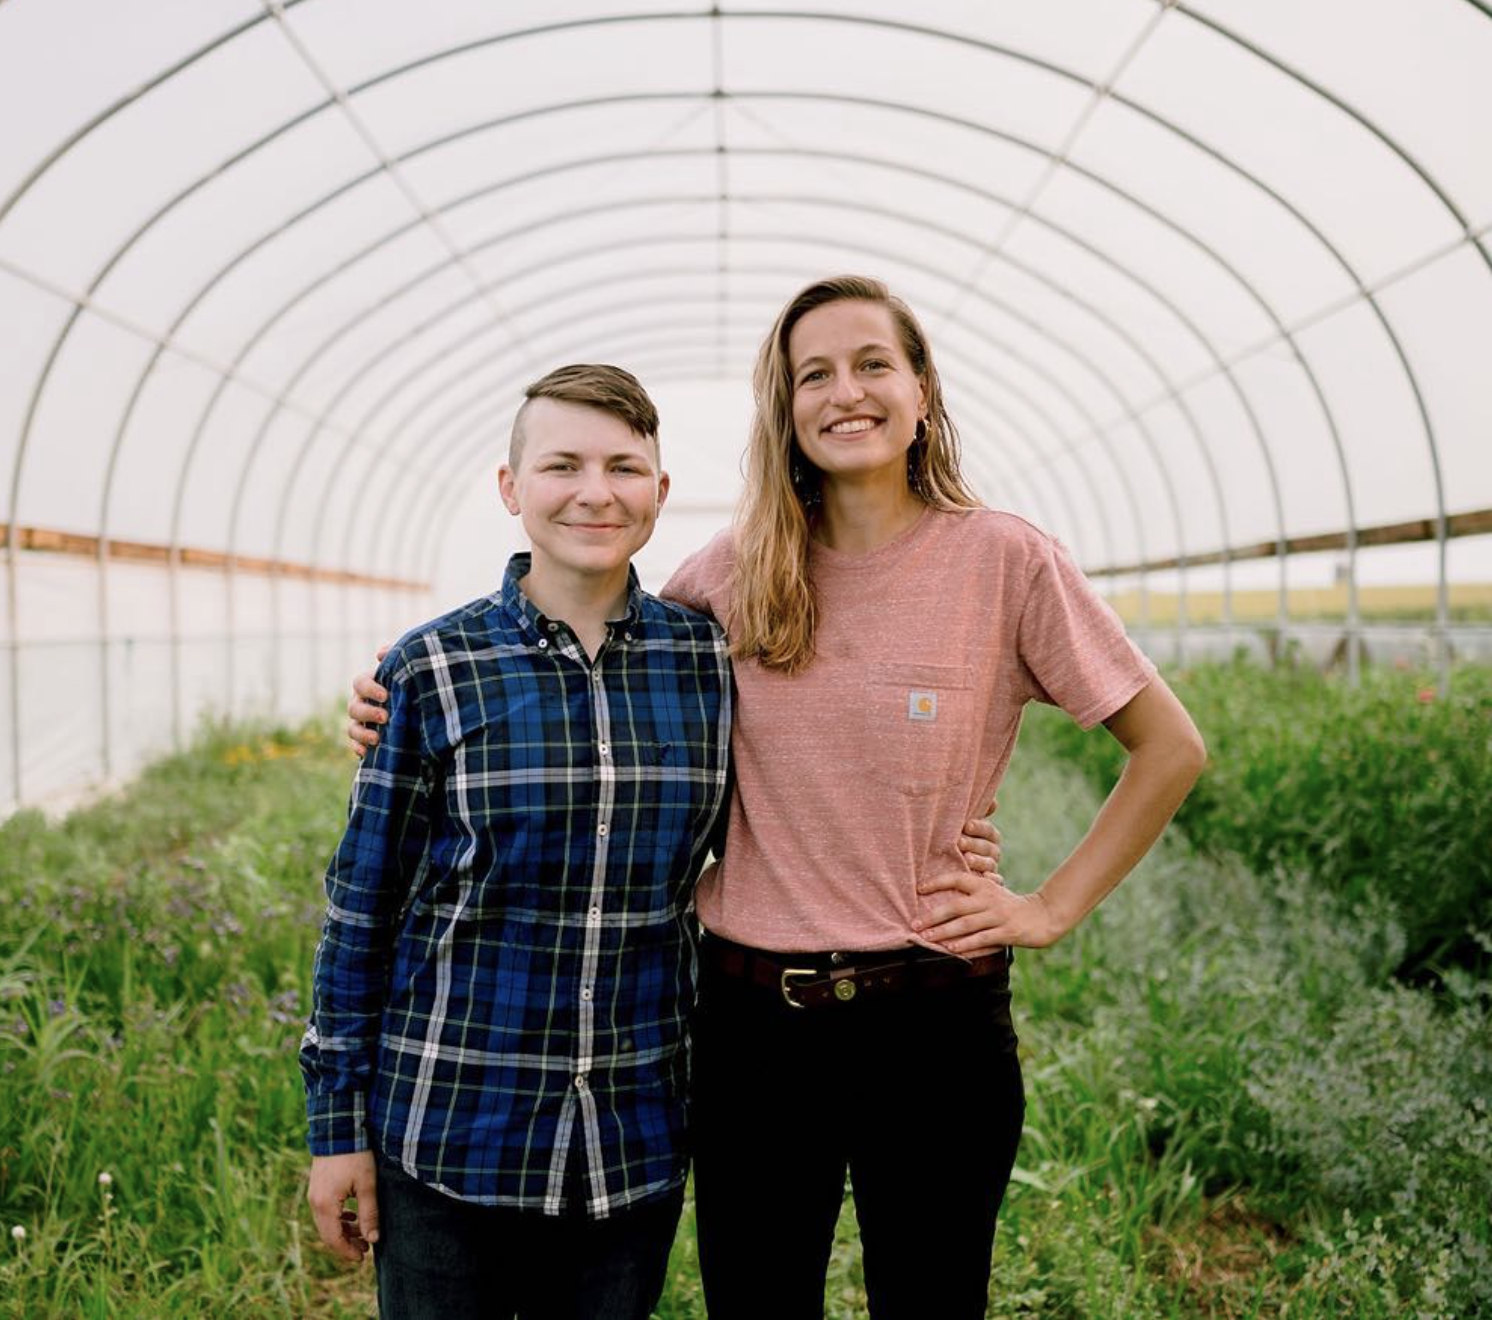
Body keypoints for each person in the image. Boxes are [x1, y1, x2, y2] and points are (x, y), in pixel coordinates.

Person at [349, 276, 1204, 1318]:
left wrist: (1049, 908)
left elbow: (1167, 747)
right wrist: (390, 699)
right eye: (814, 374)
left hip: (933, 1019)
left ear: (921, 390)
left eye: (872, 364)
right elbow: (593, 669)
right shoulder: (734, 568)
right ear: (785, 405)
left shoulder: (1004, 561)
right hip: (754, 1023)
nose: (845, 392)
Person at [309, 360, 1003, 1320]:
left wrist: (939, 833)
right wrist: (336, 1131)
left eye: (624, 468)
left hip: (628, 1145)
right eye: (562, 467)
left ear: (660, 493)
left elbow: (802, 796)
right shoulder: (428, 672)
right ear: (511, 490)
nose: (595, 492)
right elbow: (360, 915)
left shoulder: (709, 657)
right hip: (450, 1125)